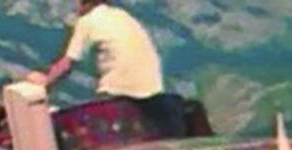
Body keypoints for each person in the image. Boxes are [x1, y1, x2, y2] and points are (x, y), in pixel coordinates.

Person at [25, 1, 185, 137]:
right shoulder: (122, 16)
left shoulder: (87, 21)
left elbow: (67, 64)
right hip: (153, 90)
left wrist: (43, 84)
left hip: (119, 91)